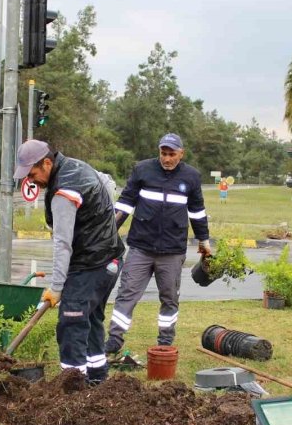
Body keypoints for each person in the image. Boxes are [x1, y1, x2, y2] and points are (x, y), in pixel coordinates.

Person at [13, 140, 125, 385]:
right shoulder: (77, 166)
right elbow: (108, 185)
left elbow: (62, 243)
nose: (31, 181)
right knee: (91, 317)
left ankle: (73, 387)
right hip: (110, 259)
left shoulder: (64, 191)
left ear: (47, 163)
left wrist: (56, 286)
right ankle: (97, 378)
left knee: (72, 321)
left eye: (33, 174)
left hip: (91, 263)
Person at [106, 133, 210, 354]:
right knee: (127, 294)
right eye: (164, 153)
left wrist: (204, 240)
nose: (167, 158)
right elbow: (125, 204)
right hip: (140, 247)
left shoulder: (191, 177)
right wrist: (109, 231)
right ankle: (114, 339)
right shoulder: (143, 170)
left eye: (172, 154)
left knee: (170, 298)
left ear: (181, 154)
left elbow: (197, 212)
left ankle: (165, 341)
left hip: (172, 251)